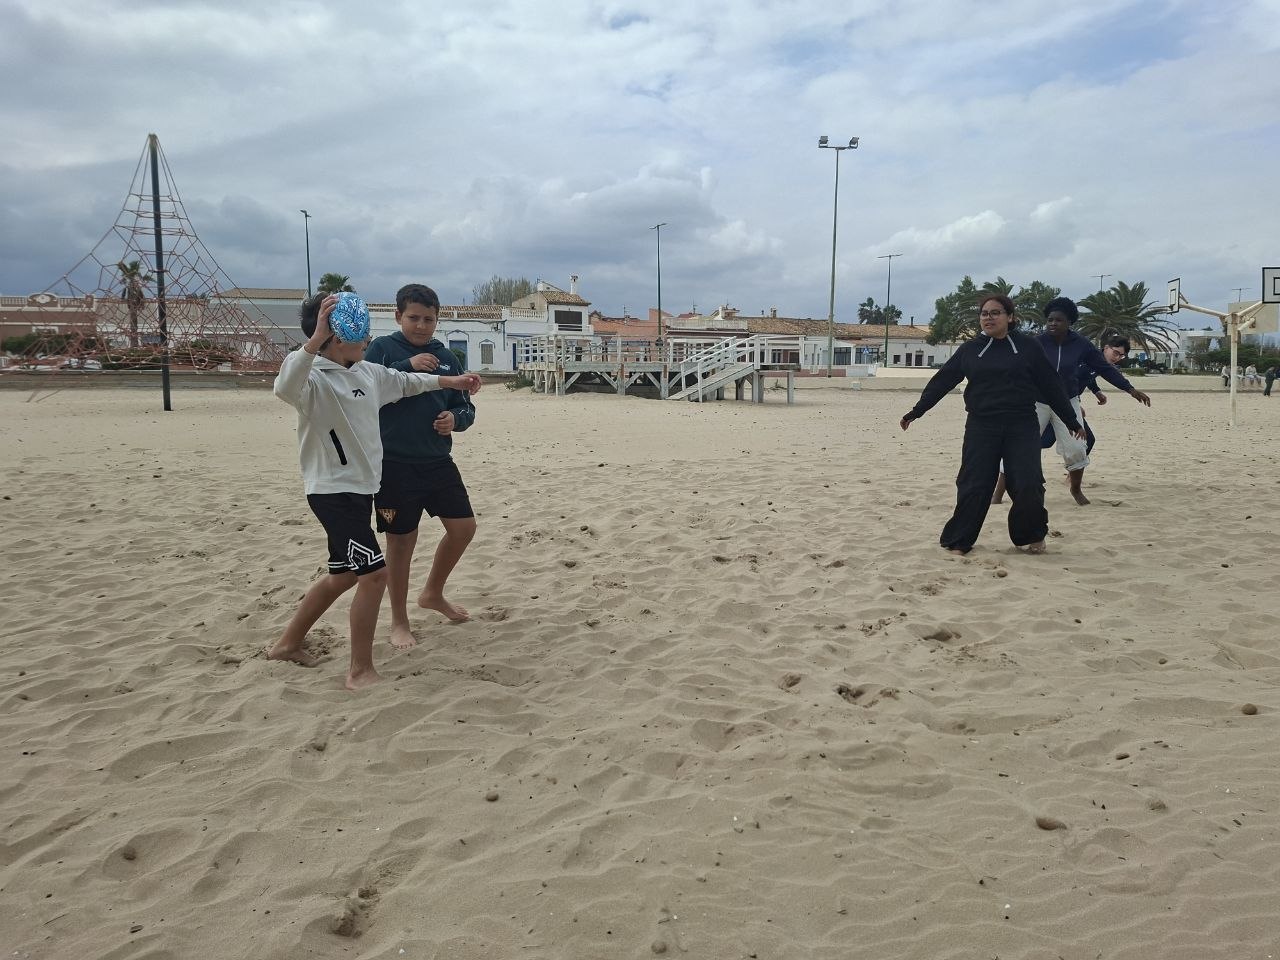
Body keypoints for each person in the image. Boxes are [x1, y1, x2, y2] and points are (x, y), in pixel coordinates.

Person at [269, 292, 482, 689]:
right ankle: (360, 671)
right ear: (336, 337)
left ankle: (287, 644)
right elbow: (284, 385)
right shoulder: (312, 380)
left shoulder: (367, 373)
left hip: (361, 491)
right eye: (360, 336)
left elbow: (408, 382)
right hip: (333, 494)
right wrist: (315, 340)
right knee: (373, 575)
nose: (367, 341)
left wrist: (453, 381)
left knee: (343, 577)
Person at [900, 294, 1084, 555]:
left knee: (1028, 482)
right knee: (974, 483)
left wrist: (1071, 420)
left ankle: (1031, 535)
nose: (989, 317)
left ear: (1010, 317)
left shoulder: (1028, 347)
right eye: (984, 313)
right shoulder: (971, 349)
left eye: (996, 313)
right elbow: (944, 380)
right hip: (981, 425)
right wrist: (917, 411)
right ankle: (960, 539)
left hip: (1021, 424)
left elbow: (1050, 384)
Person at [365, 283, 478, 648]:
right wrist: (406, 366)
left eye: (429, 319)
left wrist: (455, 419)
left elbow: (466, 406)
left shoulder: (447, 357)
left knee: (464, 528)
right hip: (393, 465)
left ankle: (432, 593)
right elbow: (365, 389)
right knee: (401, 543)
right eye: (413, 318)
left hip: (437, 461)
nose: (421, 326)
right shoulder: (382, 350)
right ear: (398, 316)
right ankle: (399, 621)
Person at [1033, 298, 1150, 505]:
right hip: (1037, 402)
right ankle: (998, 493)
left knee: (1077, 447)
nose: (1053, 323)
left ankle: (1075, 489)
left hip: (1068, 403)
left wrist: (1129, 388)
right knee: (1022, 444)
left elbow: (1104, 368)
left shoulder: (1081, 345)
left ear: (1069, 322)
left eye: (1058, 320)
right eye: (1050, 320)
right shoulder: (1036, 342)